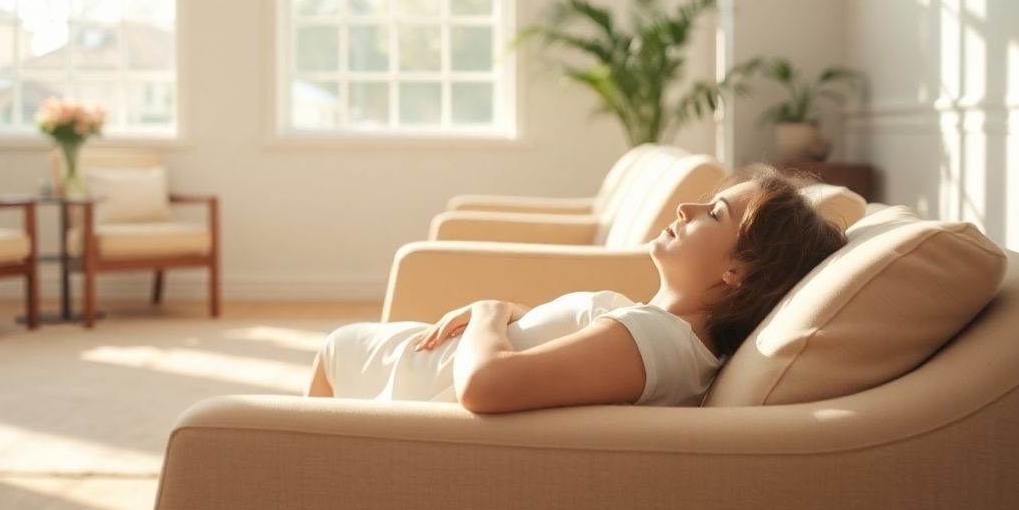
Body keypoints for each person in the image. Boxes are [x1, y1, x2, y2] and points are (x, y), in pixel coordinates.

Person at [305, 165, 846, 413]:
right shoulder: (662, 334)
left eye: (713, 214)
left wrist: (491, 312)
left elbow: (486, 387)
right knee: (341, 348)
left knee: (334, 351)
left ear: (739, 272)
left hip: (408, 390)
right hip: (412, 365)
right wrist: (516, 316)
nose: (686, 208)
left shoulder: (656, 340)